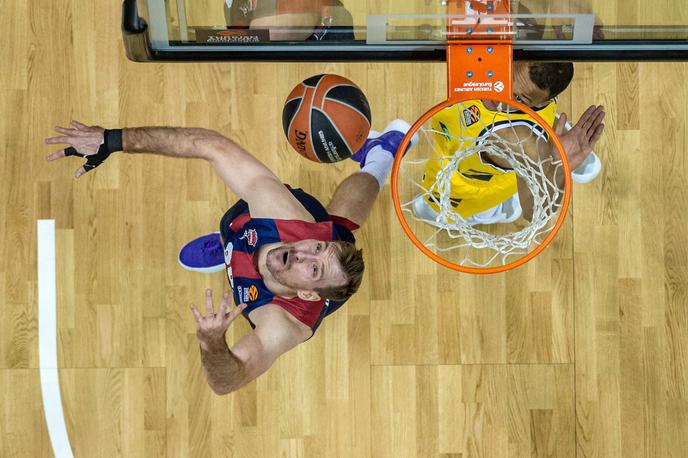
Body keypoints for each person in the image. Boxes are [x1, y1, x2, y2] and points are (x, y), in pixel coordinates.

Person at [45, 118, 413, 395]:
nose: (302, 252)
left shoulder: (282, 325)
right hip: (262, 222)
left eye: (313, 269)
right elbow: (211, 145)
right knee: (340, 225)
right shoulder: (290, 220)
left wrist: (212, 341)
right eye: (316, 248)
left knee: (322, 235)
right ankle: (381, 155)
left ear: (307, 294)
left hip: (271, 283)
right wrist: (110, 140)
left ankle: (230, 255)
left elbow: (226, 381)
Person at [412, 61, 605, 225]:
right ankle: (550, 136)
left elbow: (535, 213)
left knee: (431, 209)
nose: (499, 95)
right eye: (506, 79)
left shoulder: (516, 141)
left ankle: (491, 212)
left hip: (476, 179)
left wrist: (559, 165)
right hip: (522, 147)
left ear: (540, 102)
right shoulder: (536, 75)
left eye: (519, 98)